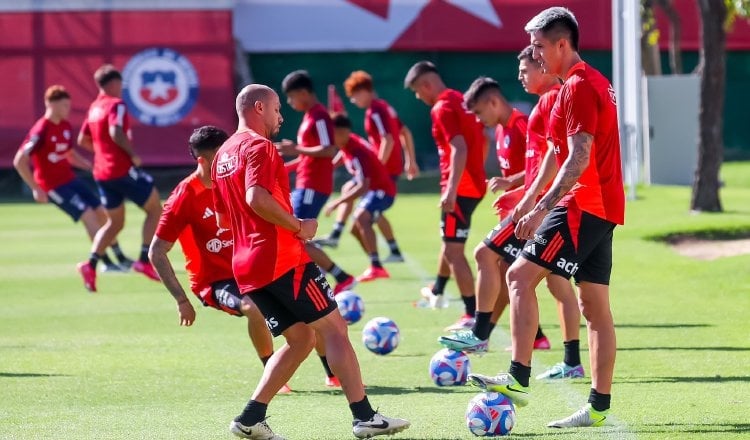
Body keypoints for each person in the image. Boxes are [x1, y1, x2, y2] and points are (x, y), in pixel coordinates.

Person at [212, 84, 410, 439]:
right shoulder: (259, 146)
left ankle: (250, 417)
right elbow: (256, 197)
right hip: (280, 258)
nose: (280, 116)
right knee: (335, 329)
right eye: (275, 109)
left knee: (301, 339)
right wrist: (299, 225)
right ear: (258, 108)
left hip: (246, 265)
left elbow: (225, 219)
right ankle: (364, 416)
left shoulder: (223, 153)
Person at [468, 7, 625, 428]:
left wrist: (540, 210)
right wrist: (527, 200)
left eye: (539, 47)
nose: (534, 55)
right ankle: (598, 407)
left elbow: (578, 157)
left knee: (518, 276)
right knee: (594, 306)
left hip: (583, 204)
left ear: (562, 44)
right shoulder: (567, 89)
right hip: (599, 206)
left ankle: (518, 378)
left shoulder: (579, 86)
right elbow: (555, 154)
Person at [440, 62, 583, 378]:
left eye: (479, 113)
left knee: (486, 256)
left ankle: (480, 332)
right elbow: (538, 167)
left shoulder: (532, 116)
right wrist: (513, 185)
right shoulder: (514, 123)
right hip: (534, 208)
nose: (479, 121)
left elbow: (559, 160)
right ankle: (567, 358)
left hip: (542, 211)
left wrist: (522, 198)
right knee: (551, 283)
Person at [148, 125, 291, 394]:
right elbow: (156, 251)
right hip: (215, 282)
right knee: (254, 308)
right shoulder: (183, 197)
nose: (229, 159)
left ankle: (332, 374)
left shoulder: (235, 182)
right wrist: (181, 300)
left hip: (250, 267)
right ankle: (273, 374)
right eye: (221, 154)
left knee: (306, 304)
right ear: (202, 160)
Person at [404, 61, 487, 331]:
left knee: (454, 252)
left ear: (426, 85)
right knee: (449, 240)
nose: (419, 98)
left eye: (418, 91)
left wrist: (451, 189)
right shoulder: (461, 99)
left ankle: (471, 313)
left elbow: (458, 148)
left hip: (460, 188)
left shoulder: (442, 107)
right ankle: (437, 290)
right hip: (472, 184)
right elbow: (481, 139)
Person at [14, 85, 129, 275]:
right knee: (88, 215)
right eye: (65, 105)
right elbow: (20, 160)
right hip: (53, 186)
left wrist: (92, 167)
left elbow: (69, 154)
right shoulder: (41, 129)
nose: (68, 109)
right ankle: (105, 262)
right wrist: (35, 188)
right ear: (51, 104)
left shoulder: (65, 126)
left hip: (70, 179)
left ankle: (121, 257)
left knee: (102, 212)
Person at [316, 70, 420, 263]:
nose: (354, 101)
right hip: (391, 167)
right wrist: (410, 159)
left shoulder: (375, 110)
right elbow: (404, 131)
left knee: (363, 206)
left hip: (385, 169)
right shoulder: (385, 107)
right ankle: (393, 251)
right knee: (372, 210)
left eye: (354, 96)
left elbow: (388, 139)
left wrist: (376, 167)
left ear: (364, 90)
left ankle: (337, 235)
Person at [77, 65, 163, 292]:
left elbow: (82, 139)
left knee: (114, 223)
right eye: (121, 85)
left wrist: (102, 153)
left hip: (101, 172)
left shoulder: (94, 107)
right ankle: (144, 261)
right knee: (155, 209)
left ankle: (91, 263)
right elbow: (116, 132)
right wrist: (132, 154)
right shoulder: (117, 105)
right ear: (114, 84)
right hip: (120, 169)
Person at [276, 70, 360, 289]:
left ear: (303, 92)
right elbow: (309, 156)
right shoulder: (311, 116)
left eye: (291, 96)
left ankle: (340, 277)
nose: (289, 102)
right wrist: (283, 168)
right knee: (292, 234)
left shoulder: (319, 115)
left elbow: (329, 149)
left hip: (313, 185)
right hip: (307, 183)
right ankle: (323, 276)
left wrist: (295, 148)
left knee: (295, 236)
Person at [328, 114, 397, 279]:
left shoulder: (358, 152)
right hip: (373, 191)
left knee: (361, 216)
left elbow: (363, 186)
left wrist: (337, 202)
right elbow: (342, 157)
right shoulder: (348, 143)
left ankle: (376, 266)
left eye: (333, 133)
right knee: (354, 229)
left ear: (342, 132)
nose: (330, 138)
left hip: (382, 191)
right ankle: (377, 264)